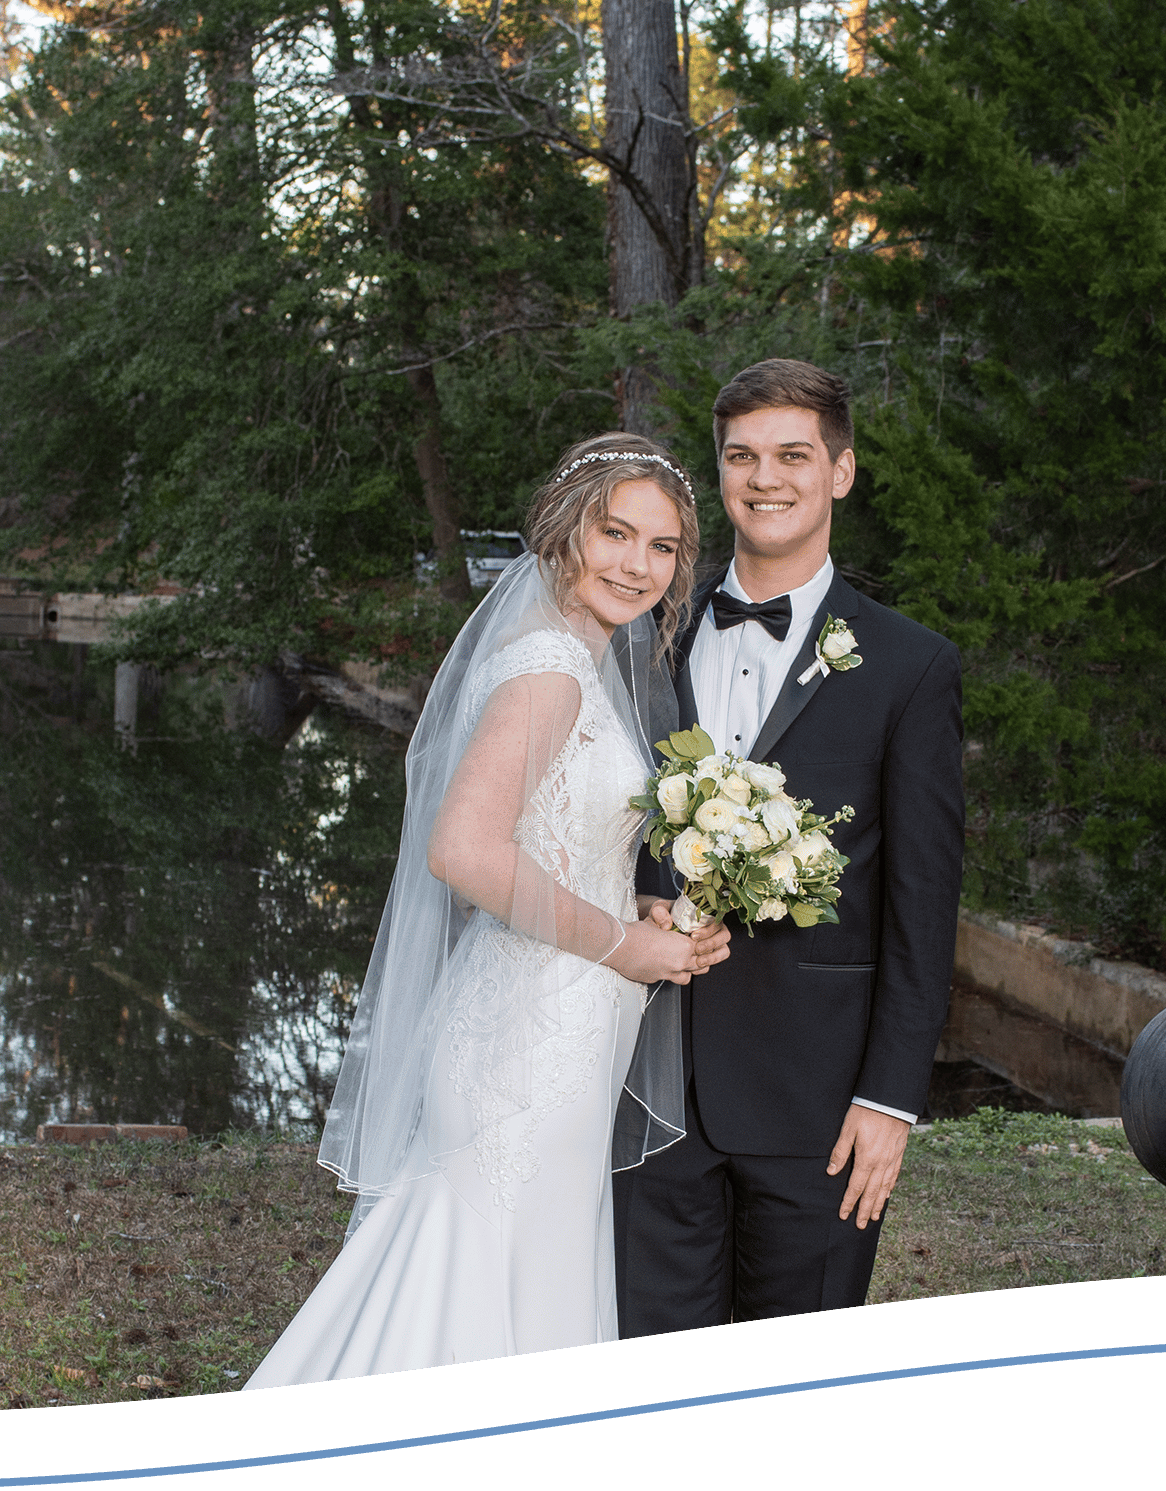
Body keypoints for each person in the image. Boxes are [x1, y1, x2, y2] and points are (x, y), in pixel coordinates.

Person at [248, 433, 732, 1386]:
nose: (638, 564)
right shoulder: (549, 668)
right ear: (564, 534)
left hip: (551, 1015)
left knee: (508, 1260)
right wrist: (622, 945)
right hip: (533, 1039)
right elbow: (463, 849)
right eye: (616, 533)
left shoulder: (574, 660)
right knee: (496, 1264)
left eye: (663, 546)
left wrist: (632, 899)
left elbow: (550, 833)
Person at [614, 359, 965, 1335]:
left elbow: (922, 905)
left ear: (840, 472)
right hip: (647, 1090)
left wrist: (891, 1100)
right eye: (742, 456)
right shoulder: (643, 637)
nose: (764, 478)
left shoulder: (910, 665)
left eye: (792, 455)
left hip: (821, 1107)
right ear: (720, 472)